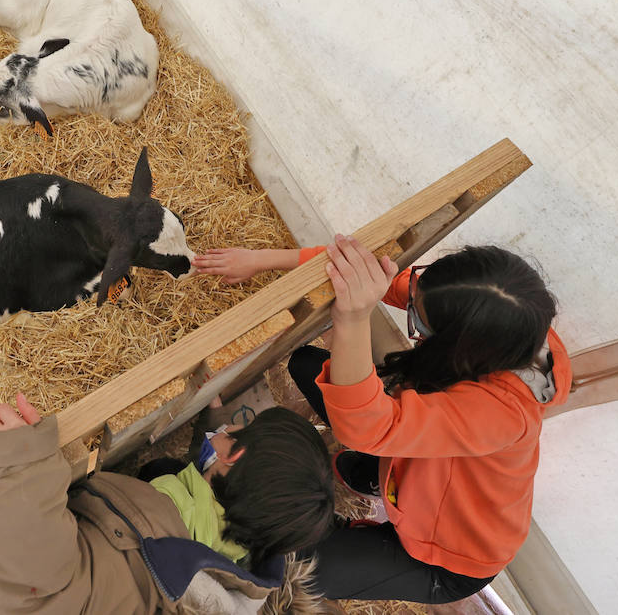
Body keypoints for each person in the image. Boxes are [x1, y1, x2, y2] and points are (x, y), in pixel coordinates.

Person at [196, 236, 569, 604]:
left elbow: (365, 427)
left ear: (459, 348)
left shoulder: (500, 415)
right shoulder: (508, 324)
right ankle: (382, 477)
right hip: (427, 461)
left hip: (447, 556)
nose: (414, 323)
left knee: (301, 570)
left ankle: (375, 515)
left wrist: (353, 318)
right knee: (310, 366)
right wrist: (258, 258)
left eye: (420, 328)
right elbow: (363, 275)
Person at [0, 394, 338, 614]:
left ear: (233, 457)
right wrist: (208, 418)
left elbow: (39, 586)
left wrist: (15, 465)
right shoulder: (245, 556)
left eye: (238, 431)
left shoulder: (147, 556)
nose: (229, 429)